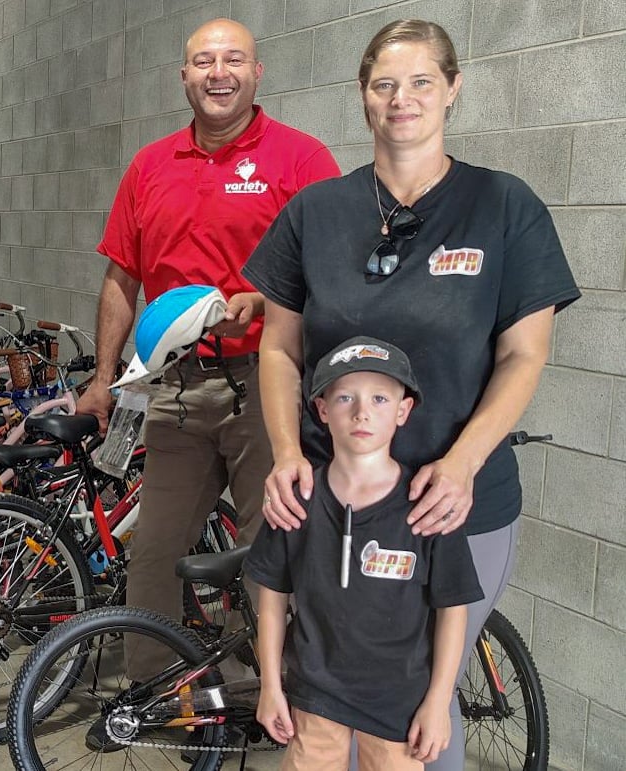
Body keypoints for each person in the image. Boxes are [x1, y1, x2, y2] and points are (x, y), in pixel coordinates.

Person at [242, 19, 579, 771]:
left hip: (450, 503)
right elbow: (277, 347)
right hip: (335, 500)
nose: (402, 98)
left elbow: (524, 354)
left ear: (452, 88)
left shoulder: (502, 206)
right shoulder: (314, 212)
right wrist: (288, 452)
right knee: (326, 691)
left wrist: (460, 463)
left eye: (421, 80)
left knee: (420, 706)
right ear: (362, 97)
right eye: (383, 83)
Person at [75, 16, 340, 712]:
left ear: (258, 73)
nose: (216, 73)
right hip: (174, 389)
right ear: (184, 77)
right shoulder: (149, 165)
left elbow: (335, 273)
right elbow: (118, 279)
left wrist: (269, 299)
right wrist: (103, 379)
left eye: (232, 60)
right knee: (155, 549)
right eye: (201, 61)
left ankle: (269, 697)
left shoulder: (301, 159)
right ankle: (156, 695)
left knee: (270, 550)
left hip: (266, 386)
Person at [248, 336, 484, 770]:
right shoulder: (296, 498)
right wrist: (269, 685)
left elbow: (453, 609)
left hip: (399, 704)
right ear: (321, 409)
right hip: (315, 696)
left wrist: (438, 700)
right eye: (344, 397)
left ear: (403, 410)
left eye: (379, 397)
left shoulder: (427, 507)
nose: (361, 412)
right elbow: (272, 595)